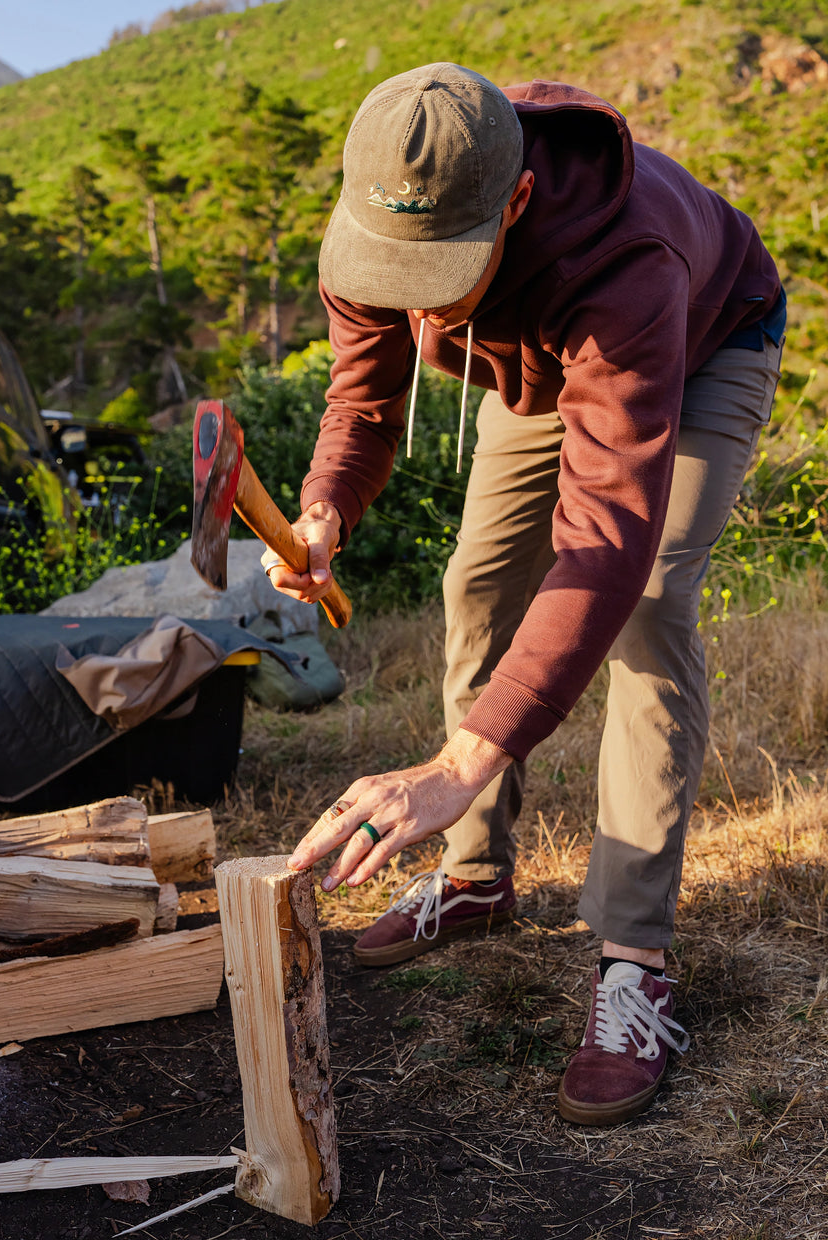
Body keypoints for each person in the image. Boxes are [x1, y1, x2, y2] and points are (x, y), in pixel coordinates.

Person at [263, 63, 785, 1126]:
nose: (403, 291)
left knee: (642, 603)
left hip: (692, 343)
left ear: (510, 204)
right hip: (531, 361)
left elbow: (602, 542)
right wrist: (321, 513)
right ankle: (472, 875)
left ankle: (633, 959)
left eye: (434, 269)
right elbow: (364, 400)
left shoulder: (622, 258)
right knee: (476, 580)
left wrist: (458, 757)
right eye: (388, 266)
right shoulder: (377, 210)